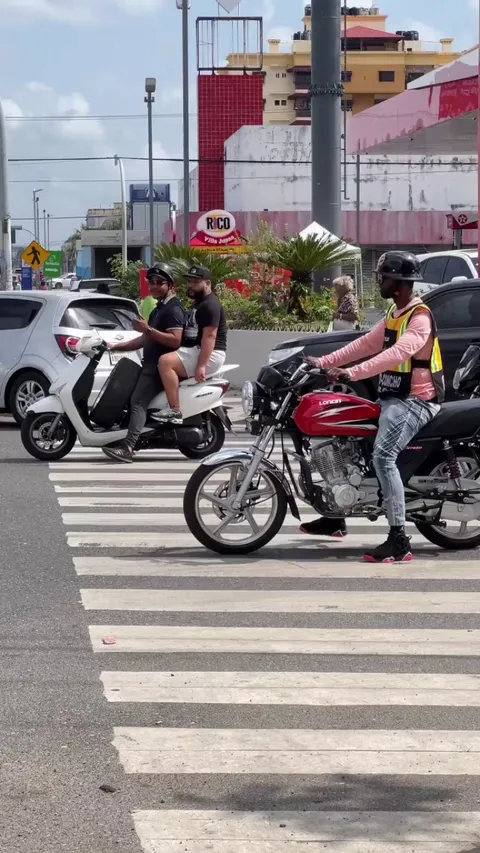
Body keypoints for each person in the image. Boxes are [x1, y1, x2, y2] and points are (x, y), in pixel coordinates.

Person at [303, 250, 445, 564]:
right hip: (393, 397)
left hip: (416, 401)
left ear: (399, 282)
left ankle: (399, 539)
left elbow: (398, 353)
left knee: (383, 456)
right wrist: (322, 363)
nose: (378, 281)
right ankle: (335, 514)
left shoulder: (419, 317)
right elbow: (366, 344)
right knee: (345, 439)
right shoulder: (396, 313)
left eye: (383, 276)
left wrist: (352, 372)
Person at [102, 263, 186, 464]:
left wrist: (147, 329)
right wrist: (115, 346)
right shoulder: (160, 309)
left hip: (158, 368)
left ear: (171, 285)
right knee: (129, 397)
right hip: (149, 364)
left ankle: (129, 447)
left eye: (160, 283)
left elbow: (175, 340)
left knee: (137, 402)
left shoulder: (173, 309)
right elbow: (144, 339)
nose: (155, 286)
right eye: (152, 282)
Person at [154, 264, 227, 425]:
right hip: (197, 350)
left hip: (209, 353)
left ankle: (174, 410)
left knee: (165, 362)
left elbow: (210, 336)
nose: (191, 285)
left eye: (195, 282)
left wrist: (202, 365)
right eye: (190, 281)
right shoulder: (199, 303)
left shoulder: (210, 305)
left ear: (207, 284)